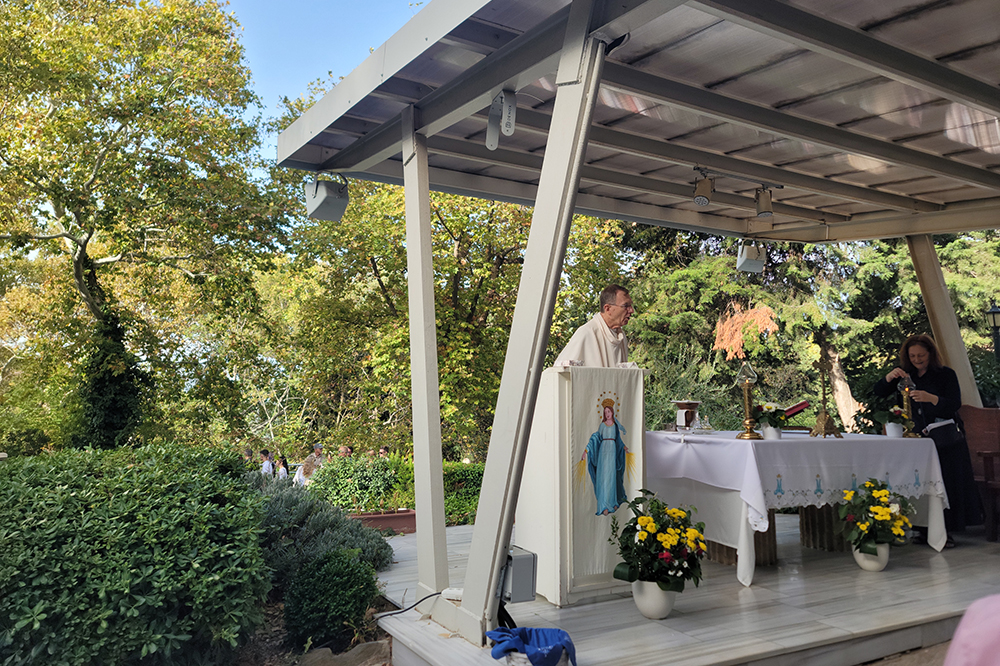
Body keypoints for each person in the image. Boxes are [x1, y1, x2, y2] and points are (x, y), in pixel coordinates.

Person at [873, 334, 983, 546]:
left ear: (931, 354)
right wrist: (888, 378)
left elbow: (954, 403)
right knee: (919, 482)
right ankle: (922, 529)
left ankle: (947, 531)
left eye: (921, 355)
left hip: (944, 439)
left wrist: (931, 398)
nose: (917, 359)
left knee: (946, 483)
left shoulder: (945, 375)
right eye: (912, 355)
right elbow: (879, 392)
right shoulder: (905, 375)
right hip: (915, 438)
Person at [555, 285, 633, 367]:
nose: (631, 310)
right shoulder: (587, 333)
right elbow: (561, 371)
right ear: (607, 309)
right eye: (626, 306)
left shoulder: (621, 336)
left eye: (631, 306)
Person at [583, 398, 628, 516]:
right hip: (603, 452)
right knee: (604, 479)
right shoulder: (602, 426)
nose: (607, 414)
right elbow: (595, 438)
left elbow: (618, 440)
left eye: (609, 412)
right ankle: (603, 506)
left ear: (612, 412)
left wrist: (624, 448)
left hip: (612, 452)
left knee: (611, 477)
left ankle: (613, 502)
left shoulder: (615, 426)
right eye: (605, 412)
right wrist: (587, 450)